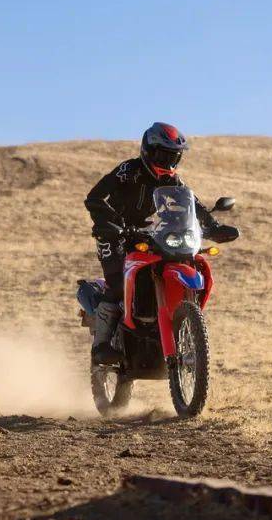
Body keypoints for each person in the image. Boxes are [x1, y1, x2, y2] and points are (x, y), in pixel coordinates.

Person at [84, 122, 239, 364]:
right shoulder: (128, 170)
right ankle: (102, 346)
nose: (167, 162)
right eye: (162, 155)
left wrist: (214, 227)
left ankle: (167, 322)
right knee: (117, 284)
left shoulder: (173, 181)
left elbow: (194, 205)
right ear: (148, 150)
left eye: (173, 157)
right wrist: (108, 222)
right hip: (113, 233)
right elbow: (94, 197)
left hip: (144, 233)